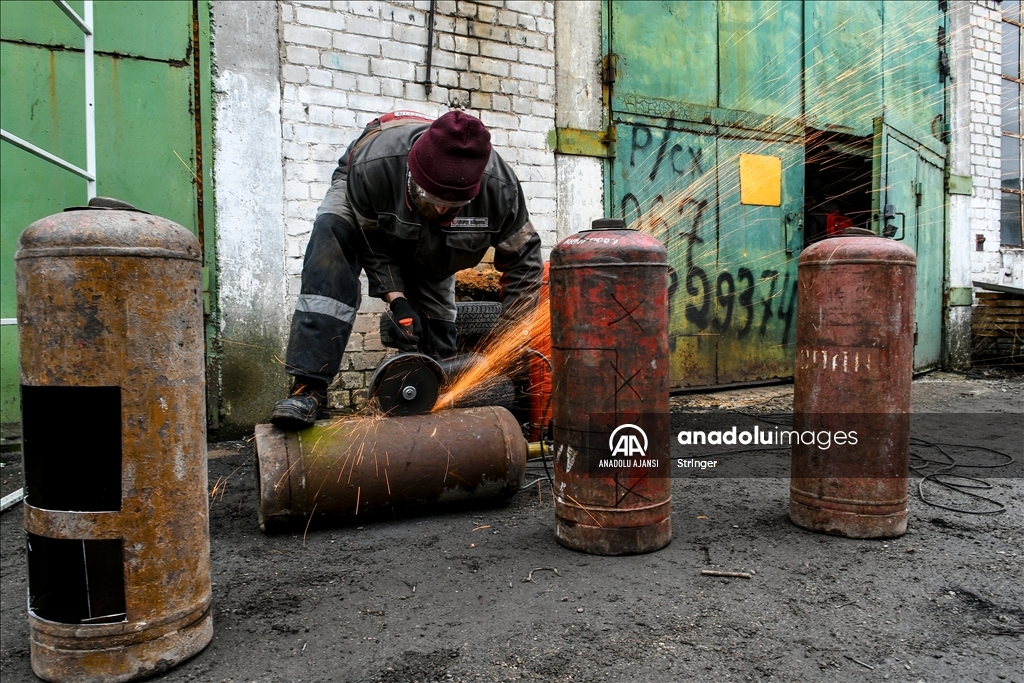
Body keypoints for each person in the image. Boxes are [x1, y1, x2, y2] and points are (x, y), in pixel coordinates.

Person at [271, 110, 543, 430]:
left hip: (435, 248)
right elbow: (371, 242)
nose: (441, 209)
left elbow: (524, 262)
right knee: (332, 237)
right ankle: (308, 388)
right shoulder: (375, 167)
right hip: (368, 190)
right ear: (413, 174)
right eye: (433, 198)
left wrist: (509, 339)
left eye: (453, 205)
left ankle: (433, 394)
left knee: (436, 332)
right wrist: (397, 298)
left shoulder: (501, 191)